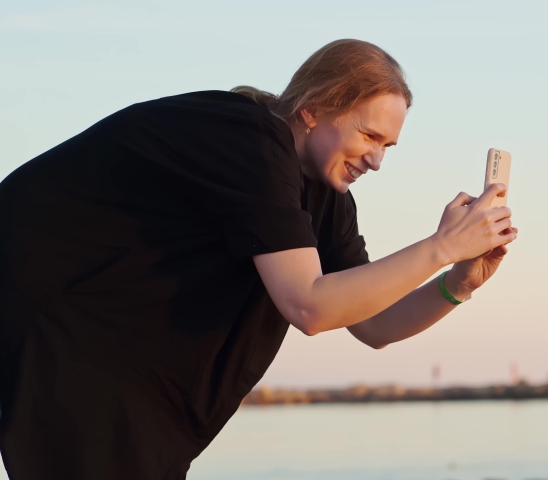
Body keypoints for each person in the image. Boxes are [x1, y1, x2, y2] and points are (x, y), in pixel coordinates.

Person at [0, 39, 517, 479]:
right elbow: (309, 307)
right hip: (57, 323)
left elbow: (371, 323)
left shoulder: (326, 195)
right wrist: (441, 245)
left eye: (389, 146)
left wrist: (457, 282)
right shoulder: (250, 137)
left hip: (117, 363)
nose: (378, 160)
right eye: (370, 135)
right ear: (313, 109)